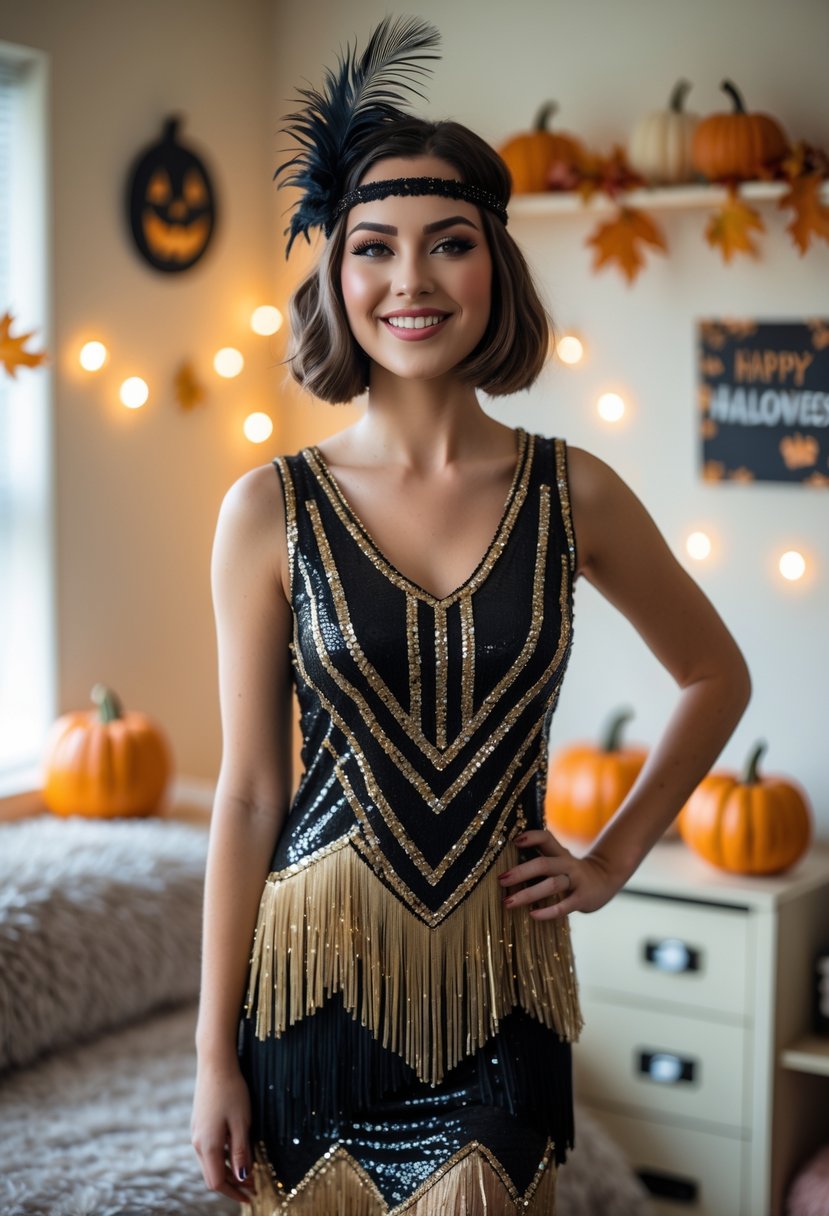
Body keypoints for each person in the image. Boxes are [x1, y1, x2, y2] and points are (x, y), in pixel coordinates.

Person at [191, 17, 751, 1214]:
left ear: (495, 265)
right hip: (308, 994)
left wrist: (611, 860)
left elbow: (715, 674)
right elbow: (246, 795)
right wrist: (208, 1060)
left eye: (448, 244)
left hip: (505, 989)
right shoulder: (266, 510)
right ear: (336, 276)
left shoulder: (574, 491)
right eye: (374, 248)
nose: (409, 281)